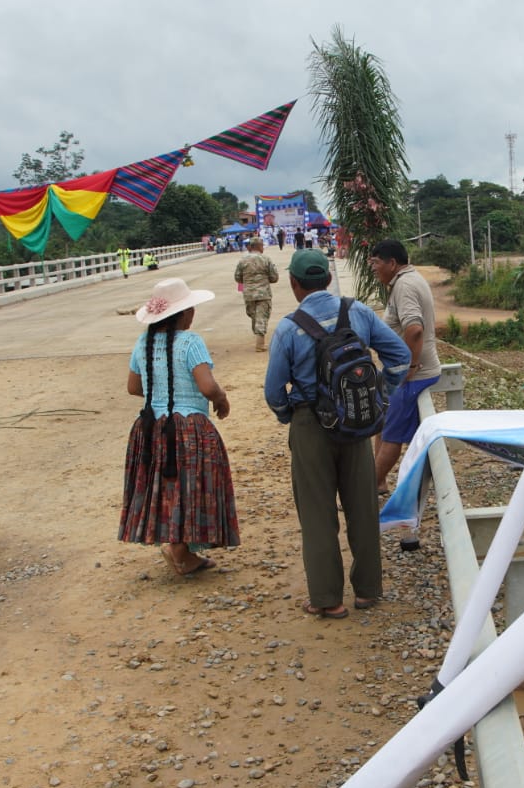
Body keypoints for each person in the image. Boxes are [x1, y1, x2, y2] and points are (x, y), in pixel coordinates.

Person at [264, 250, 410, 619]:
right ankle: (368, 591)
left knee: (317, 512)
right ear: (329, 279)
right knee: (362, 506)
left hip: (310, 424)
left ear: (294, 284)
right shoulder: (358, 312)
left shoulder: (288, 328)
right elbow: (400, 356)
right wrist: (381, 397)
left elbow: (273, 391)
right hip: (356, 422)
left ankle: (328, 598)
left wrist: (291, 414)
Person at [119, 277, 238, 576]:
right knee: (192, 485)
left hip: (151, 428)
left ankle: (179, 547)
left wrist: (160, 393)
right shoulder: (190, 342)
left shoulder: (143, 343)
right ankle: (180, 551)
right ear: (184, 314)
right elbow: (207, 386)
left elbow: (134, 387)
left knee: (165, 487)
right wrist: (221, 399)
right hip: (188, 428)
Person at [367, 238, 441, 497]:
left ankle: (367, 491)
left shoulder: (405, 286)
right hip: (399, 374)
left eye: (375, 263)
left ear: (392, 263)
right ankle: (378, 482)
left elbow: (414, 329)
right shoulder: (405, 280)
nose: (372, 268)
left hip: (412, 377)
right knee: (383, 424)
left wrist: (409, 366)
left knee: (392, 435)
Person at [233, 236, 280, 352]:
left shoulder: (243, 260)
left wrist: (248, 281)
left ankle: (259, 338)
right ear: (259, 246)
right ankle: (260, 344)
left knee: (254, 316)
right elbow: (274, 277)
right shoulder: (266, 259)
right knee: (261, 317)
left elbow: (237, 277)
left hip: (249, 294)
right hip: (263, 293)